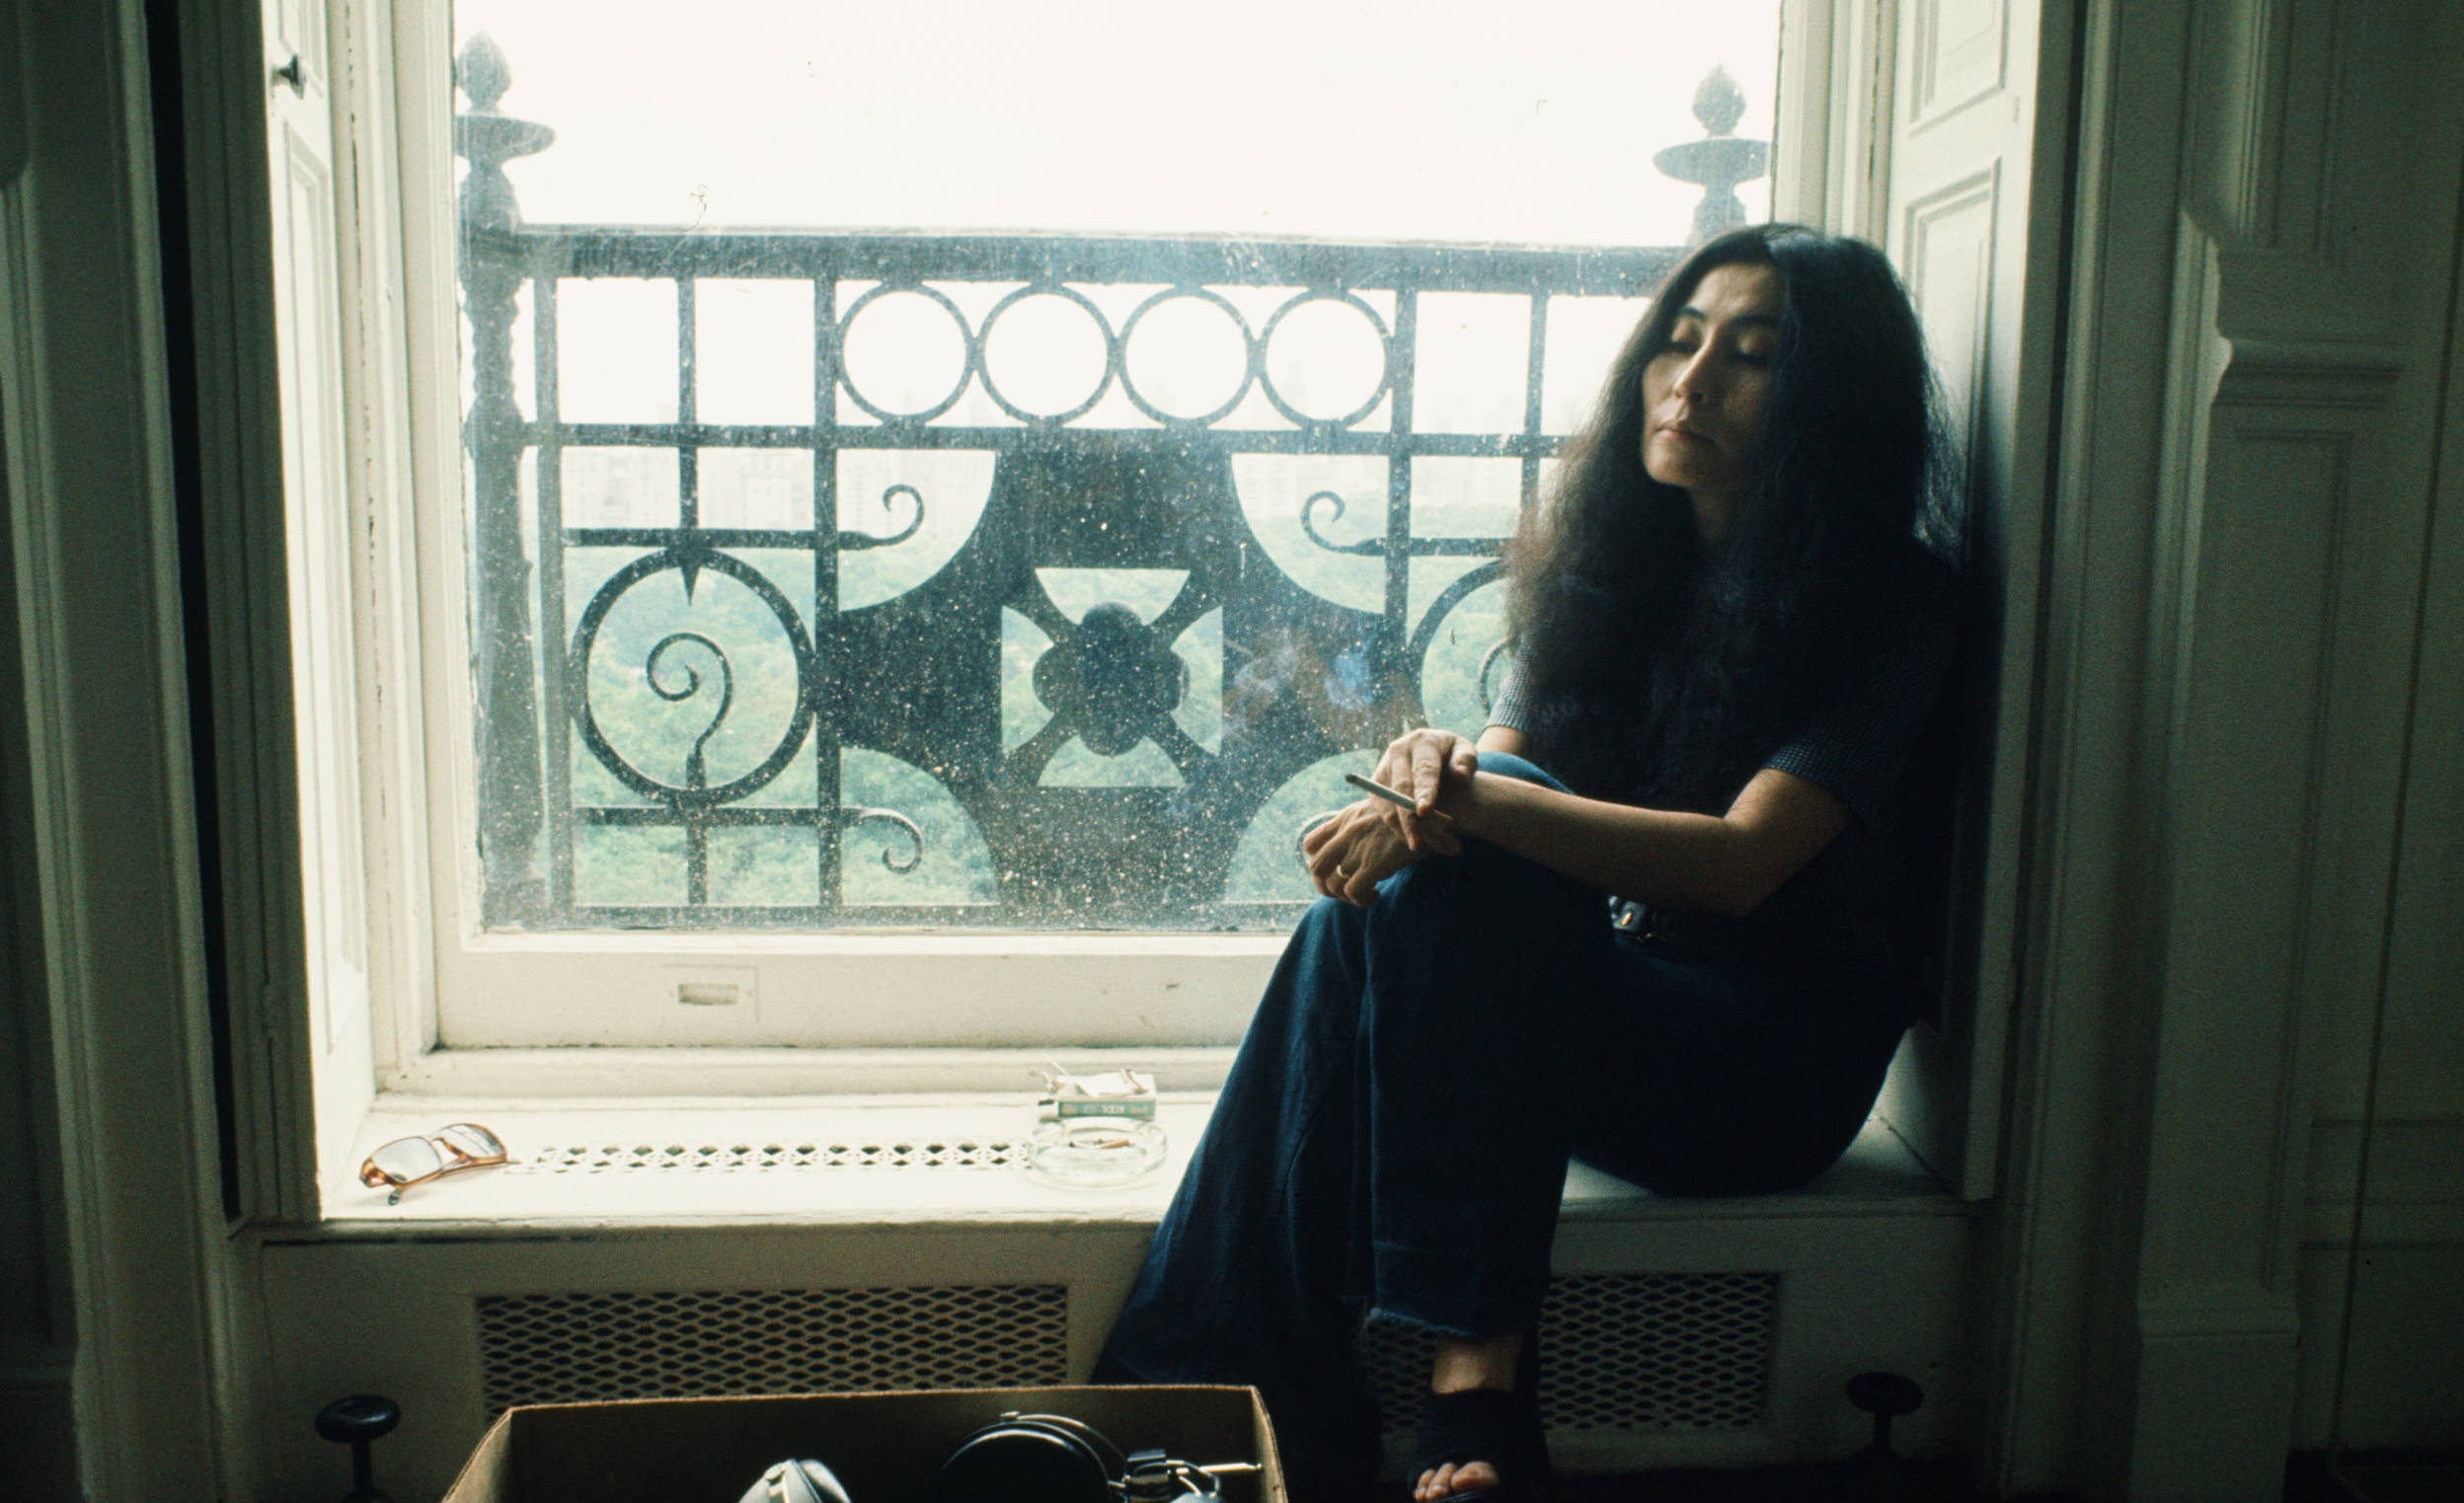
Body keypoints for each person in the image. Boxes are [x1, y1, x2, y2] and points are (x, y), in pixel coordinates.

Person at [1093, 224, 1966, 1503]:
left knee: (1456, 864)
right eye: (1679, 340)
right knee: (1375, 909)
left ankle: (1332, 1389)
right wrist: (1433, 781)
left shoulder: (1900, 606)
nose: (1692, 381)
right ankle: (1310, 1421)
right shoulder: (1617, 572)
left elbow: (1740, 865)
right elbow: (1497, 783)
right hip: (1605, 1018)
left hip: (1764, 1077)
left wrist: (1468, 804)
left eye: (1753, 356)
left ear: (1832, 402)